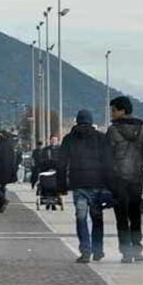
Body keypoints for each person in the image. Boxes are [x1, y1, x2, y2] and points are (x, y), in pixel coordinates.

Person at [59, 109, 113, 263]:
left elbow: (61, 164)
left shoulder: (69, 139)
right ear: (91, 121)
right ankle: (98, 250)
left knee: (81, 217)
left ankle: (85, 250)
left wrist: (61, 186)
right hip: (97, 183)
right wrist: (109, 186)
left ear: (77, 121)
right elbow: (108, 163)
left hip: (79, 183)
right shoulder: (101, 138)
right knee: (97, 218)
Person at [106, 96, 143, 263]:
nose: (113, 113)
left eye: (114, 110)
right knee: (135, 215)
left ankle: (126, 252)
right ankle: (138, 250)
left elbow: (107, 157)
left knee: (122, 217)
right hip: (137, 177)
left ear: (122, 110)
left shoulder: (112, 130)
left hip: (119, 179)